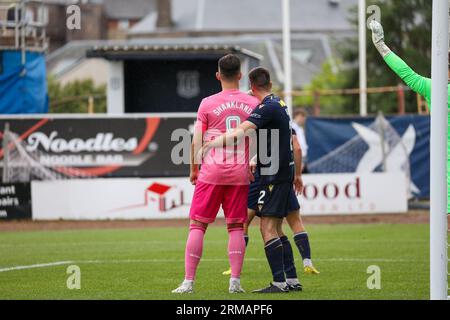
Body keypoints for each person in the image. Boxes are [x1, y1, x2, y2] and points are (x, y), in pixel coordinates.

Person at [202, 67, 303, 293]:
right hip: (283, 172)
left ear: (252, 84)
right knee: (277, 229)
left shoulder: (266, 108)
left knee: (267, 228)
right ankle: (292, 280)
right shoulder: (280, 103)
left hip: (273, 175)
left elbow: (240, 131)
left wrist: (212, 143)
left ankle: (279, 283)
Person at [172, 54, 259, 294]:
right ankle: (235, 282)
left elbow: (196, 141)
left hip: (211, 173)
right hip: (239, 174)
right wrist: (253, 161)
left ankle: (188, 282)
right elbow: (261, 139)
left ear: (218, 75)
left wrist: (193, 169)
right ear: (240, 76)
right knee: (236, 228)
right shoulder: (253, 104)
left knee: (197, 225)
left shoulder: (207, 103)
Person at [369, 20, 450, 212]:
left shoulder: (433, 87)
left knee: (446, 208)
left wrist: (381, 46)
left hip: (444, 156)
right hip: (444, 155)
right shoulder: (433, 87)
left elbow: (406, 73)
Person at [222, 130, 320, 280]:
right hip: (284, 177)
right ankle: (305, 264)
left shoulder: (261, 121)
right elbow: (297, 148)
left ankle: (237, 267)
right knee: (291, 222)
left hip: (263, 178)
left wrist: (251, 159)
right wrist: (298, 175)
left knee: (255, 225)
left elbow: (249, 146)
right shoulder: (286, 124)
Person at [291, 109, 309, 173]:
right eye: (303, 117)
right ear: (298, 116)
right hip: (296, 159)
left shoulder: (300, 129)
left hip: (302, 159)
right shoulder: (291, 127)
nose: (304, 120)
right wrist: (299, 162)